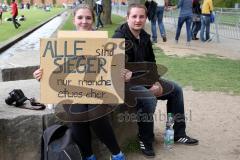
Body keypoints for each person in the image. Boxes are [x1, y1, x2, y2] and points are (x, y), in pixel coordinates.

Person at [33, 4, 126, 160]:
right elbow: (50, 66)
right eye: (80, 18)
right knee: (77, 114)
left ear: (93, 20)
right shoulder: (62, 42)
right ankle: (88, 156)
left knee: (95, 114)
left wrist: (121, 74)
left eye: (88, 18)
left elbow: (113, 67)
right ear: (74, 20)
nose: (84, 21)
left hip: (98, 90)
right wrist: (39, 73)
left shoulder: (104, 41)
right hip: (71, 91)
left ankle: (117, 154)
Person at [113, 4, 198, 157]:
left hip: (143, 79)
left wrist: (156, 81)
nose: (138, 20)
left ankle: (177, 133)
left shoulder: (145, 37)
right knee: (148, 98)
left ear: (146, 18)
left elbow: (151, 64)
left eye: (141, 16)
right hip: (125, 85)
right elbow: (117, 70)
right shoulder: (119, 38)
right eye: (134, 16)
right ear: (127, 17)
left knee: (176, 90)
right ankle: (145, 139)